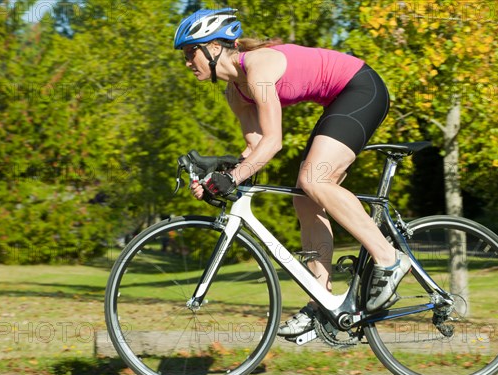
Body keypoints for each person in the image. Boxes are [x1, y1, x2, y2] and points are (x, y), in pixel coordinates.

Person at [174, 8, 410, 337]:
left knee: (314, 179)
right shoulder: (234, 91)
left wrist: (235, 175)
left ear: (213, 48)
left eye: (189, 52)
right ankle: (322, 301)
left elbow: (273, 142)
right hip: (337, 102)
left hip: (361, 89)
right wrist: (218, 173)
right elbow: (254, 149)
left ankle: (389, 259)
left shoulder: (257, 68)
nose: (187, 62)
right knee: (305, 199)